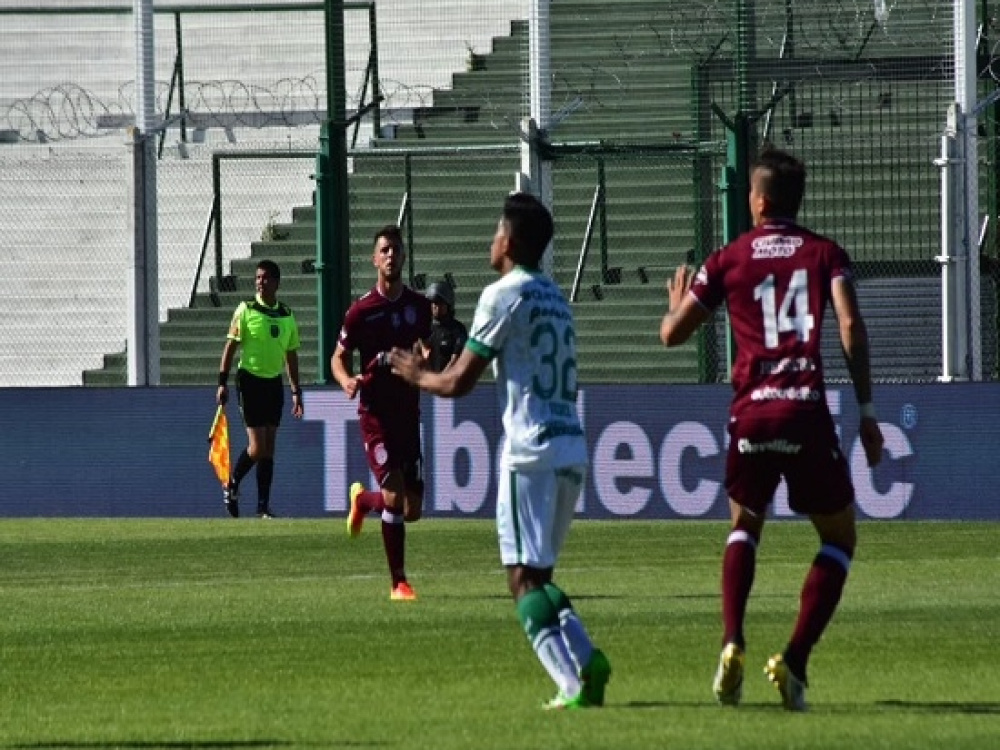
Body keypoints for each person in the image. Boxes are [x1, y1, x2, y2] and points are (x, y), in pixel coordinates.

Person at [658, 147, 884, 711]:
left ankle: (732, 640)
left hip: (752, 412)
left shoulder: (729, 258)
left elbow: (672, 336)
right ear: (795, 201)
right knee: (838, 539)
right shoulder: (825, 253)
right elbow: (850, 324)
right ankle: (794, 661)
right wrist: (867, 411)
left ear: (757, 202)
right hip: (805, 411)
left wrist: (673, 306)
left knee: (744, 525)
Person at [390, 193, 611, 711]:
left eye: (495, 232)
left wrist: (418, 375)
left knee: (519, 579)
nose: (490, 240)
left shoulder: (501, 296)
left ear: (508, 242)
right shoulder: (556, 298)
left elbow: (458, 382)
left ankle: (572, 685)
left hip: (530, 450)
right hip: (570, 446)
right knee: (540, 575)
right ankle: (588, 658)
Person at [331, 224, 432, 602]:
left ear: (404, 257)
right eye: (384, 250)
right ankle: (398, 583)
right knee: (393, 495)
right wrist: (346, 380)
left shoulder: (418, 307)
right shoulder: (361, 312)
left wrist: (426, 359)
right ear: (375, 259)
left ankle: (361, 501)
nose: (391, 255)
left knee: (412, 508)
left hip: (408, 413)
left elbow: (428, 350)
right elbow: (337, 358)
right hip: (376, 415)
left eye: (396, 250)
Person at [217, 259, 304, 519]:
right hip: (250, 381)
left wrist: (296, 391)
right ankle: (232, 483)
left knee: (269, 448)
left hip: (273, 383)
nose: (260, 282)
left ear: (276, 282)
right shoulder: (246, 309)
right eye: (257, 277)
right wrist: (221, 382)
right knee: (257, 448)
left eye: (265, 278)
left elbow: (291, 355)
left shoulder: (286, 315)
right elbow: (230, 347)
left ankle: (263, 507)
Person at [424, 280, 468, 372]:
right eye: (433, 303)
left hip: (449, 378)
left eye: (440, 303)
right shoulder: (424, 327)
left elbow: (455, 359)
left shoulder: (457, 329)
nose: (436, 307)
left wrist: (441, 378)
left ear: (448, 305)